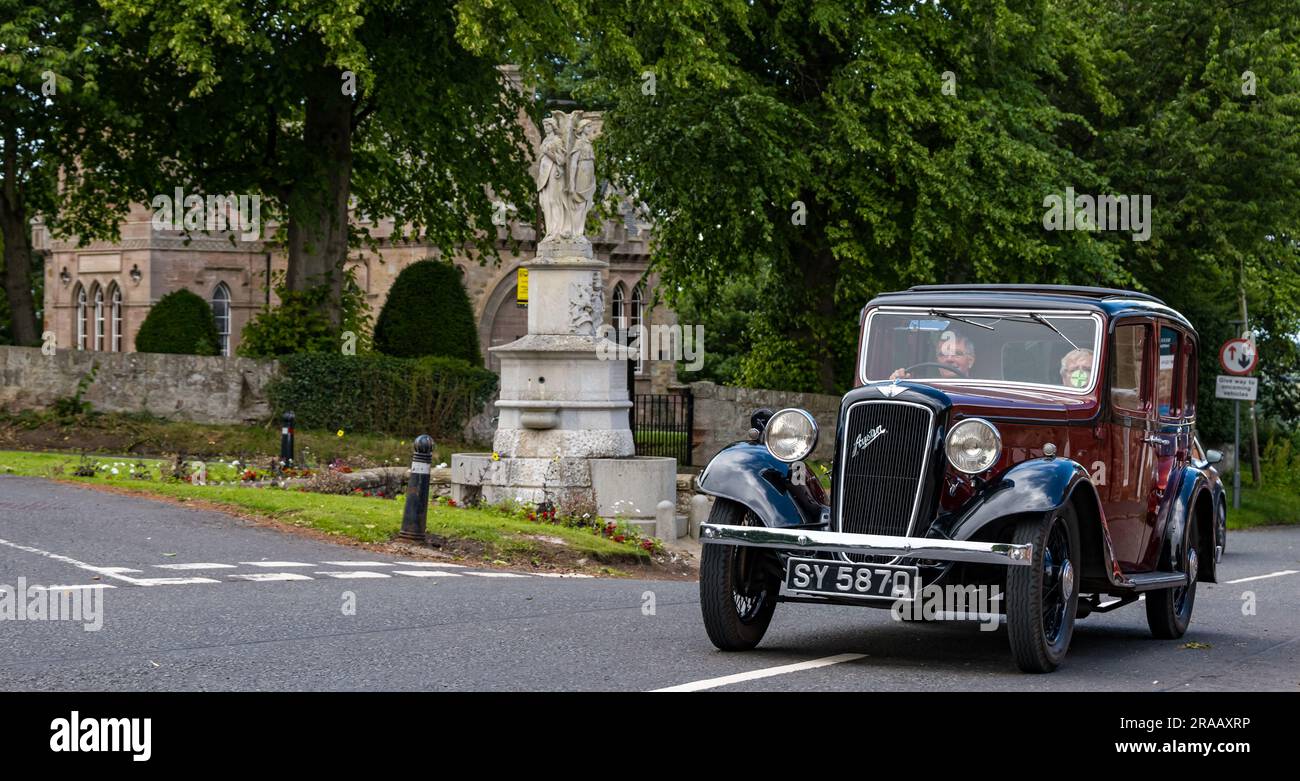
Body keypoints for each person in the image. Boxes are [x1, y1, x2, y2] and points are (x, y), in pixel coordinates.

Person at [890, 330, 975, 379]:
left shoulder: (982, 393)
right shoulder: (925, 389)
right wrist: (896, 380)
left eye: (957, 354)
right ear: (937, 360)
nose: (949, 359)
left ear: (970, 361)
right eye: (942, 354)